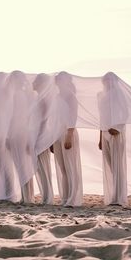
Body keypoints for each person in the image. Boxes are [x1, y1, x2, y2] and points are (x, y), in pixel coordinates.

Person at [97, 72, 129, 206]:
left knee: (117, 166)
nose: (106, 82)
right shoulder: (100, 95)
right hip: (104, 132)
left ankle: (119, 198)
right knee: (110, 166)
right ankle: (112, 196)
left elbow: (125, 113)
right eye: (105, 80)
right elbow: (101, 117)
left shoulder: (119, 94)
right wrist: (100, 137)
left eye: (109, 80)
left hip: (116, 133)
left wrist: (118, 128)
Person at [52, 71, 83, 207]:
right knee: (62, 167)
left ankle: (73, 199)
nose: (56, 81)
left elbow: (73, 116)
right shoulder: (57, 97)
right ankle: (65, 197)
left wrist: (69, 135)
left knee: (70, 167)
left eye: (59, 79)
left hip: (67, 132)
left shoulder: (71, 97)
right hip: (56, 134)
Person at [7, 71, 35, 203]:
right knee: (24, 164)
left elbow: (12, 117)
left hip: (16, 132)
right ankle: (28, 195)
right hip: (24, 131)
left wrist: (7, 135)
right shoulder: (25, 94)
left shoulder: (16, 95)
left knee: (20, 164)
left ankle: (26, 197)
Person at [0, 72, 17, 201]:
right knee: (2, 165)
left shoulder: (0, 96)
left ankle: (8, 194)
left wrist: (0, 137)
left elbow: (2, 118)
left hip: (0, 136)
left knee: (4, 166)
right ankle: (6, 193)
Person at [31, 73, 55, 205]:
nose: (32, 83)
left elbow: (43, 121)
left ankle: (47, 197)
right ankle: (45, 196)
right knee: (39, 167)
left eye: (35, 81)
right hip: (37, 134)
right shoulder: (39, 98)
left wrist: (38, 136)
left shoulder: (43, 99)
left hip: (41, 135)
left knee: (43, 166)